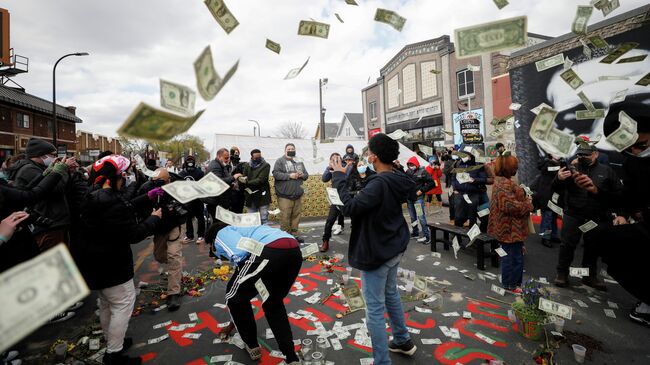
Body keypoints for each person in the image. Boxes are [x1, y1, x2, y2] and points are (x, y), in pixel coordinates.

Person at [331, 133, 417, 365]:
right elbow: (379, 187)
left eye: (369, 152)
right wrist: (360, 174)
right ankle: (402, 339)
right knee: (391, 294)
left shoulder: (380, 183)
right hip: (393, 246)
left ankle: (382, 361)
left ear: (374, 156)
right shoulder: (395, 177)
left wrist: (339, 176)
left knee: (375, 309)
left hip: (377, 252)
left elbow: (349, 207)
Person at [73, 155, 161, 365]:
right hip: (112, 264)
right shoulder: (112, 201)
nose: (125, 181)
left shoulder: (91, 195)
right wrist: (153, 219)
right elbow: (133, 234)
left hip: (92, 263)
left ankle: (113, 340)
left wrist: (146, 196)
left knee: (106, 304)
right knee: (122, 304)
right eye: (123, 176)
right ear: (117, 177)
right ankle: (114, 353)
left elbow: (123, 205)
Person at [584, 101, 650, 326]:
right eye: (628, 148)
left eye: (641, 145)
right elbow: (626, 197)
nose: (635, 152)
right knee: (600, 238)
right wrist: (596, 191)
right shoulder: (634, 164)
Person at [206, 222, 302, 364]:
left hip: (268, 251)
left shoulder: (222, 233)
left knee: (233, 298)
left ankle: (251, 345)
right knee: (273, 304)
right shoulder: (248, 229)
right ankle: (291, 356)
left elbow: (239, 254)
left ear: (212, 241)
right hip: (293, 251)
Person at [552, 142, 622, 290]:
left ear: (596, 154)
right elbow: (555, 188)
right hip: (573, 214)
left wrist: (621, 214)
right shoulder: (571, 169)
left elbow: (618, 193)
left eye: (586, 154)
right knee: (567, 245)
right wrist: (558, 178)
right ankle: (562, 274)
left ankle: (589, 277)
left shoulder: (607, 171)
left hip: (597, 216)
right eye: (579, 154)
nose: (582, 157)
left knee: (593, 248)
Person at [9, 138, 75, 251]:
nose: (55, 158)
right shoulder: (29, 169)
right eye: (52, 155)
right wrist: (63, 170)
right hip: (48, 225)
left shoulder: (38, 168)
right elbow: (57, 188)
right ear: (40, 155)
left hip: (53, 222)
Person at [138, 168, 187, 311]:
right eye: (156, 181)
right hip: (158, 228)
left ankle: (174, 292)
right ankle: (173, 273)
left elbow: (189, 203)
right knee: (160, 256)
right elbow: (138, 206)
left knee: (174, 256)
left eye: (162, 182)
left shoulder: (177, 186)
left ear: (169, 180)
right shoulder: (146, 188)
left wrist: (178, 207)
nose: (159, 184)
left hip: (174, 226)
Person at [488, 153, 533, 294]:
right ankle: (510, 284)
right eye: (515, 166)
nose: (517, 169)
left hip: (509, 227)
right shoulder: (504, 184)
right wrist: (528, 204)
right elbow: (510, 206)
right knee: (513, 258)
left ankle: (511, 283)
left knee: (513, 256)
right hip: (509, 228)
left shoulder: (502, 181)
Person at [272, 143, 308, 242]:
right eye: (289, 148)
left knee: (296, 216)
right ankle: (285, 237)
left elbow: (306, 175)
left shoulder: (299, 161)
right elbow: (275, 174)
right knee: (285, 217)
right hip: (285, 196)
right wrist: (289, 176)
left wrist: (301, 175)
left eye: (292, 148)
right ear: (285, 150)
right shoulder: (280, 161)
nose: (291, 150)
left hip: (297, 195)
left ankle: (295, 235)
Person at [532, 154, 562, 247]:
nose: (559, 154)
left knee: (553, 216)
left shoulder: (557, 164)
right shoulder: (547, 164)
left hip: (554, 195)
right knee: (547, 218)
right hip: (546, 195)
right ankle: (545, 238)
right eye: (556, 153)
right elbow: (553, 171)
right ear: (550, 154)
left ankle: (553, 235)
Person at [451, 151, 487, 228]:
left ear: (470, 155)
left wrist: (474, 180)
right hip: (460, 193)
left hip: (473, 194)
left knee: (472, 217)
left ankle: (472, 238)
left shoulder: (478, 165)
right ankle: (457, 236)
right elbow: (453, 178)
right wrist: (454, 189)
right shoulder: (458, 164)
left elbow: (484, 179)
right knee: (458, 216)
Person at [320, 153, 347, 252]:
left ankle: (359, 243)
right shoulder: (330, 168)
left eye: (337, 159)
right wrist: (329, 169)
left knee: (356, 221)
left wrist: (339, 169)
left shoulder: (346, 166)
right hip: (335, 199)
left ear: (341, 159)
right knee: (330, 221)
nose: (335, 161)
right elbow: (324, 179)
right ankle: (325, 241)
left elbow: (348, 177)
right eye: (333, 159)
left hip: (347, 197)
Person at [405, 156, 435, 244]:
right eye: (409, 164)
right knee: (412, 217)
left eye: (412, 164)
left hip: (418, 199)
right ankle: (415, 232)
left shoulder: (423, 172)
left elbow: (432, 183)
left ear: (416, 164)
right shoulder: (408, 171)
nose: (411, 166)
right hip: (410, 199)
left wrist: (421, 190)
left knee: (421, 217)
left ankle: (426, 236)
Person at [239, 149, 272, 224]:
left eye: (259, 156)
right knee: (252, 219)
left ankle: (264, 234)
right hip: (250, 196)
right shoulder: (247, 165)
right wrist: (242, 179)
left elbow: (261, 179)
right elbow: (244, 176)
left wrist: (247, 182)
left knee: (264, 218)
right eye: (256, 157)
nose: (258, 158)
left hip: (262, 195)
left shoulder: (266, 165)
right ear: (252, 157)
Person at [179, 156, 206, 244]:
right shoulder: (181, 173)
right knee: (188, 218)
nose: (190, 162)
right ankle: (190, 236)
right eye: (188, 161)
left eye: (191, 160)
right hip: (187, 199)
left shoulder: (200, 173)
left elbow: (203, 185)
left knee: (200, 217)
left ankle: (201, 236)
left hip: (198, 199)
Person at [206, 148, 235, 218]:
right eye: (226, 158)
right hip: (215, 201)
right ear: (219, 156)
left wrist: (231, 185)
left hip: (219, 200)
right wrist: (233, 177)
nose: (228, 160)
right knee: (218, 224)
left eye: (228, 158)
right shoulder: (215, 166)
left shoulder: (221, 164)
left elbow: (223, 178)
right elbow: (218, 182)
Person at [229, 147, 246, 214]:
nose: (236, 154)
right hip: (231, 191)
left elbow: (244, 174)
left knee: (239, 210)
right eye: (235, 153)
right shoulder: (228, 164)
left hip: (240, 191)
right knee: (232, 211)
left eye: (237, 153)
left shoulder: (241, 164)